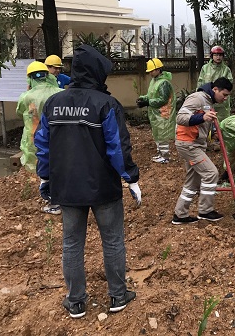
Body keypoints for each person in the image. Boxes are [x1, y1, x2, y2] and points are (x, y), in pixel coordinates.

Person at [34, 44, 141, 319]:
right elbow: (118, 147)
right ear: (96, 72)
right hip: (103, 186)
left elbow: (43, 145)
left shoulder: (54, 103)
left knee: (71, 243)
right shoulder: (105, 104)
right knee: (113, 241)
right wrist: (131, 178)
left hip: (67, 187)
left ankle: (76, 301)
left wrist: (45, 176)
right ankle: (118, 295)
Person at [172, 77, 233, 224]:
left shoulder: (208, 101)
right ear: (215, 90)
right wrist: (202, 117)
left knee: (193, 181)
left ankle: (180, 215)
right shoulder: (197, 98)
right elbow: (180, 117)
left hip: (195, 144)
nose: (225, 99)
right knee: (211, 173)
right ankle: (205, 211)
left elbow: (201, 123)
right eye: (224, 95)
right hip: (188, 143)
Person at [16, 61, 63, 214]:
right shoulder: (59, 92)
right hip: (58, 136)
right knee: (59, 165)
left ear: (29, 78)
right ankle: (61, 198)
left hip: (36, 136)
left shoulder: (26, 96)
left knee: (43, 166)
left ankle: (52, 201)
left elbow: (19, 111)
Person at [136, 58, 177, 164]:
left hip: (163, 113)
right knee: (157, 133)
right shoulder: (155, 81)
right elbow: (152, 95)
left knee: (163, 134)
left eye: (152, 71)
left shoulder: (164, 83)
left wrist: (148, 102)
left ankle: (165, 156)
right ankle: (160, 153)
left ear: (158, 69)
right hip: (156, 113)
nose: (150, 73)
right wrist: (144, 98)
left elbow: (163, 99)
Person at [197, 45, 233, 125]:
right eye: (216, 55)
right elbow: (200, 83)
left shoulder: (226, 70)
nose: (218, 57)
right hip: (207, 99)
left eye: (220, 55)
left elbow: (229, 85)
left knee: (223, 123)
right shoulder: (205, 68)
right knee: (207, 122)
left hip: (222, 104)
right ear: (212, 56)